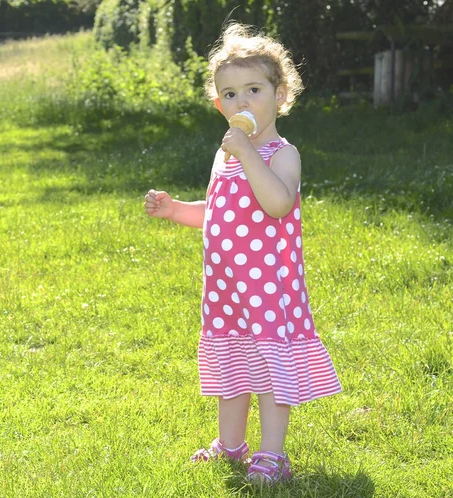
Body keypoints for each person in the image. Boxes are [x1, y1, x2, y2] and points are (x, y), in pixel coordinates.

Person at [143, 23, 342, 484]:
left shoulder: (280, 154)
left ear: (280, 95)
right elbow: (215, 212)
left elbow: (277, 203)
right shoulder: (224, 155)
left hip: (269, 290)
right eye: (229, 94)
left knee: (271, 372)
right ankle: (230, 445)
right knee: (230, 369)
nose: (242, 102)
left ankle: (273, 455)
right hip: (227, 290)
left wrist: (248, 156)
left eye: (253, 90)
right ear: (219, 104)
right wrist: (176, 210)